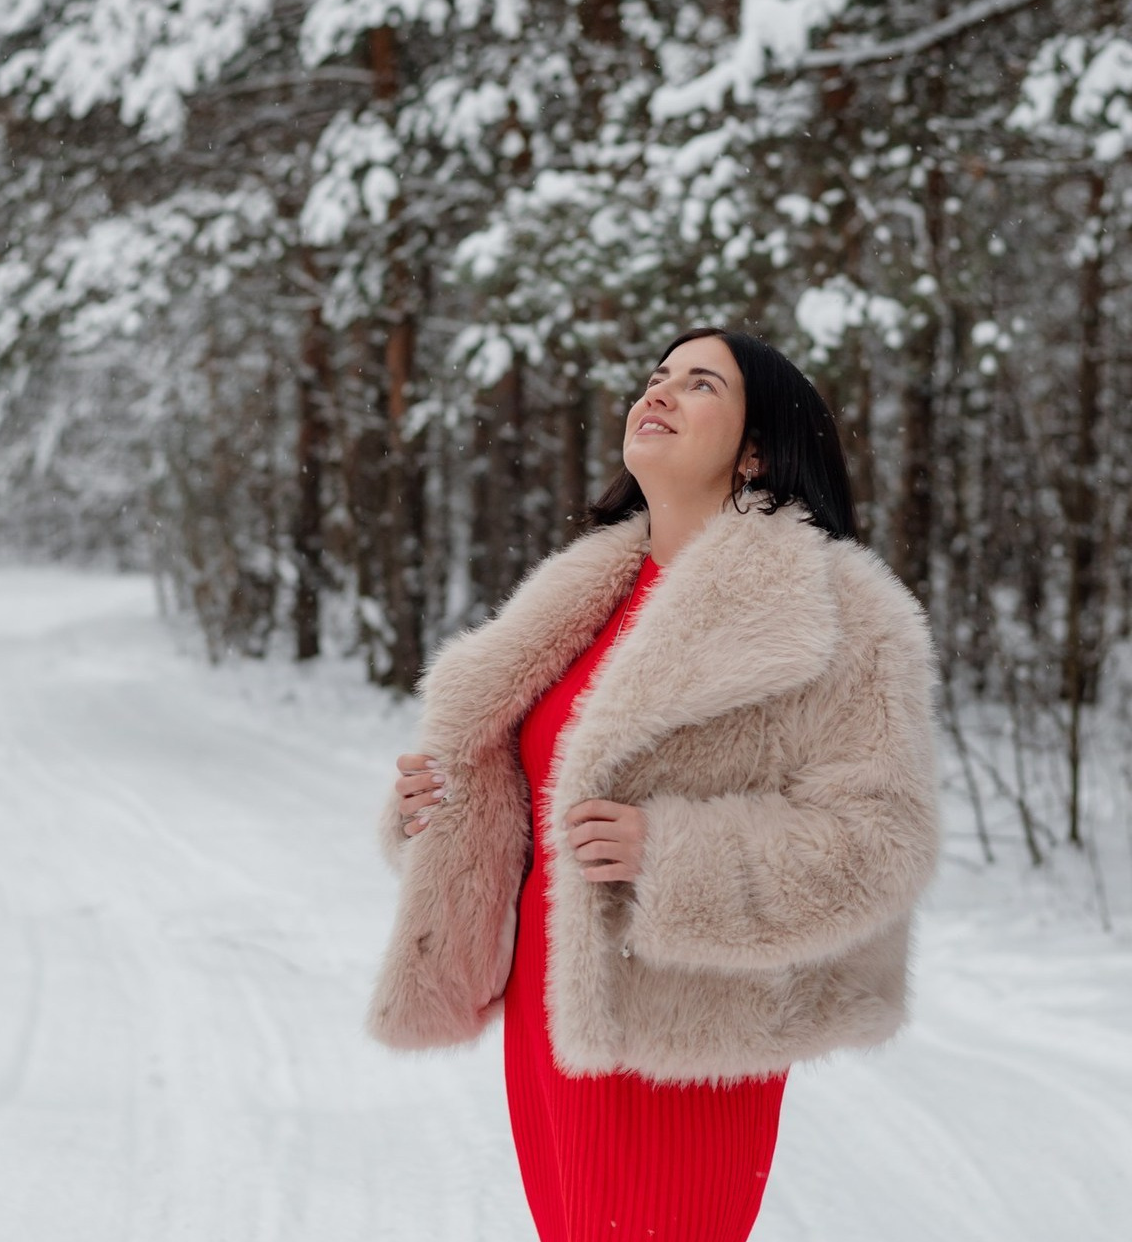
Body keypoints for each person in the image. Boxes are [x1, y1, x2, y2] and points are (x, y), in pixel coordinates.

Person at [369, 327, 940, 1242]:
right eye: (656, 377)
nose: (660, 393)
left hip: (691, 1037)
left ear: (756, 449)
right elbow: (531, 797)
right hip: (552, 1025)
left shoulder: (841, 611)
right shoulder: (580, 597)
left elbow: (883, 841)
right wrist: (430, 814)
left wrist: (672, 855)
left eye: (700, 383)